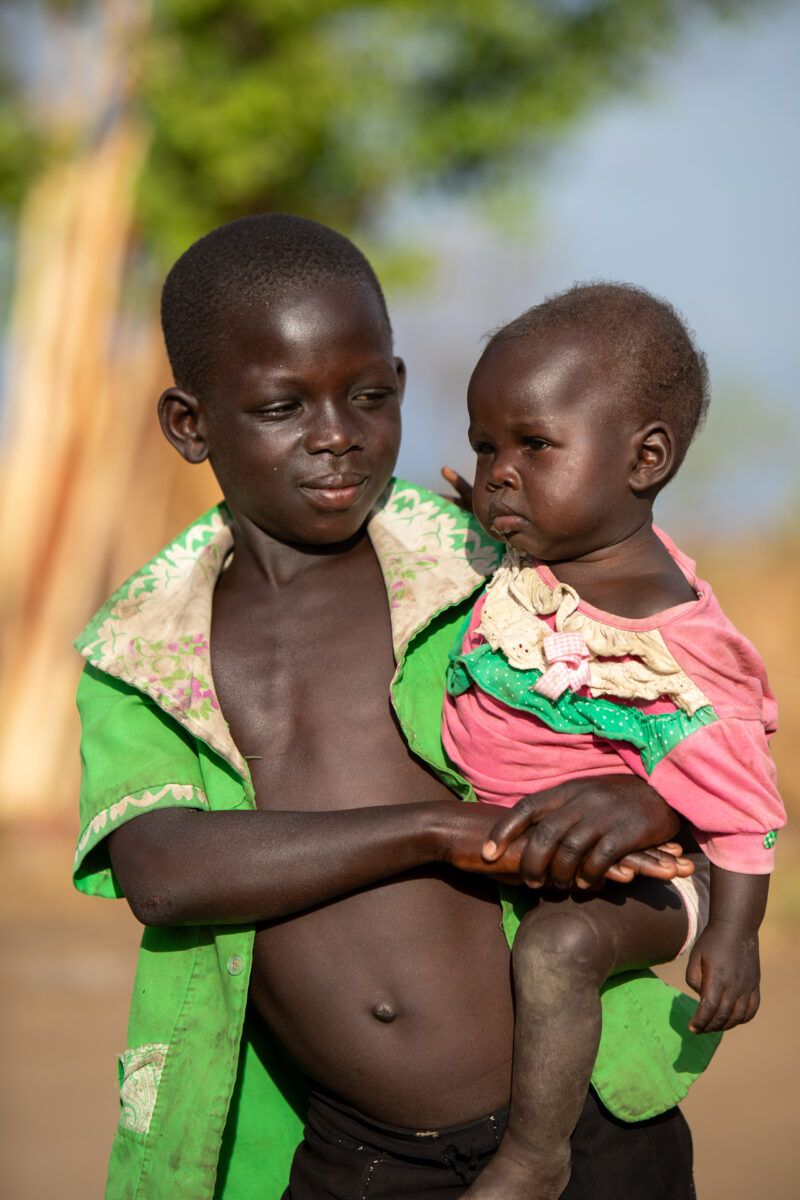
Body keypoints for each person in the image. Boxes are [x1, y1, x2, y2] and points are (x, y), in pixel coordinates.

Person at [74, 217, 713, 1200]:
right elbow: (163, 874)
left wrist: (650, 802)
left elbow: (685, 713)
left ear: (400, 386)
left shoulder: (490, 569)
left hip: (588, 1129)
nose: (337, 433)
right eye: (283, 405)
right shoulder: (141, 651)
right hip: (358, 1160)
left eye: (368, 396)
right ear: (190, 425)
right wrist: (433, 829)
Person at [440, 282, 786, 1200]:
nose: (498, 473)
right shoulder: (540, 554)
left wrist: (735, 933)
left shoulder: (666, 639)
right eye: (485, 448)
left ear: (646, 459)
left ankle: (536, 1153)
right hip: (520, 844)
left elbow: (745, 797)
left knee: (557, 951)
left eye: (534, 446)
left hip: (645, 881)